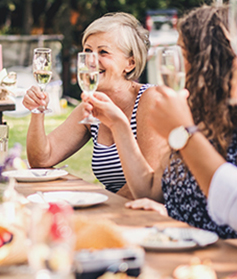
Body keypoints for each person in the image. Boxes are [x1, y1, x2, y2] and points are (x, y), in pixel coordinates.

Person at [124, 5, 237, 239]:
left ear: (206, 61)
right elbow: (152, 191)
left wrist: (182, 132)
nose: (175, 66)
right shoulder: (194, 118)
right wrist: (119, 124)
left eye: (182, 53)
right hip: (179, 256)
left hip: (228, 268)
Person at [24, 12, 168, 198]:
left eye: (103, 52)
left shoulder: (150, 99)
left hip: (148, 215)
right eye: (87, 51)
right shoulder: (92, 105)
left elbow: (151, 186)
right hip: (116, 210)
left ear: (130, 63)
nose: (91, 61)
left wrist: (100, 202)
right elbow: (41, 160)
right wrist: (38, 111)